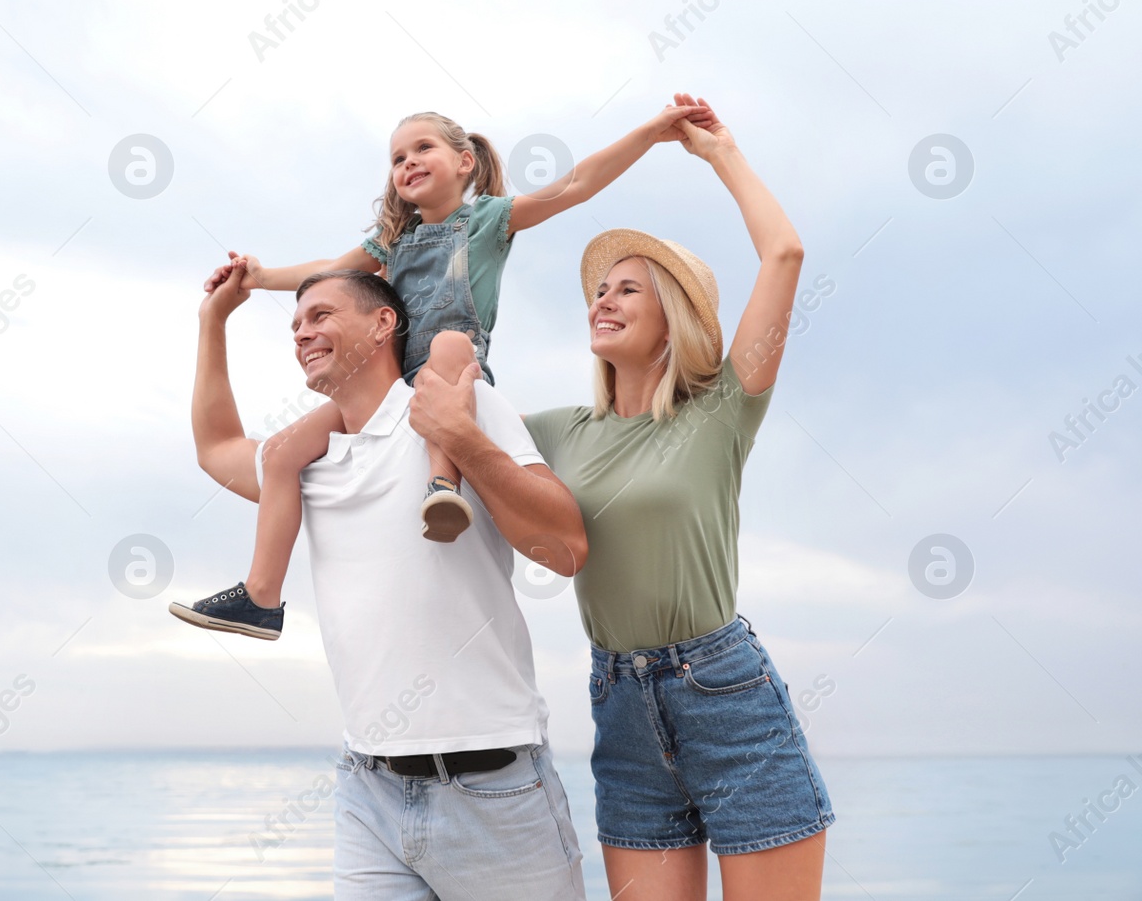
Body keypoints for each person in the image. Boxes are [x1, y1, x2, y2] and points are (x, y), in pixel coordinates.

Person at [171, 103, 710, 639]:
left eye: (423, 148)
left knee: (450, 342)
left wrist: (650, 132)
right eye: (397, 157)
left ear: (465, 162)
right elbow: (329, 272)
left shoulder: (488, 221)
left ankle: (440, 488)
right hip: (391, 386)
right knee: (283, 451)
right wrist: (260, 277)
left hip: (453, 372)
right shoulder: (392, 243)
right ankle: (262, 595)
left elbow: (577, 184)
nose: (408, 162)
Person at [189, 260, 590, 899]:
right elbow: (217, 447)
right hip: (366, 790)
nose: (301, 333)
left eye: (320, 315)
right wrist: (214, 320)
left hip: (493, 788)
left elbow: (566, 548)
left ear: (383, 324)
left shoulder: (459, 402)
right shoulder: (306, 465)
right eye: (294, 324)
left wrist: (459, 435)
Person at [523, 96, 834, 900]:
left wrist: (719, 153)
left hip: (725, 694)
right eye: (599, 289)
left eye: (629, 288)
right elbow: (442, 411)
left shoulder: (722, 408)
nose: (604, 298)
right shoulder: (558, 431)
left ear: (674, 319)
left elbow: (785, 253)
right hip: (619, 707)